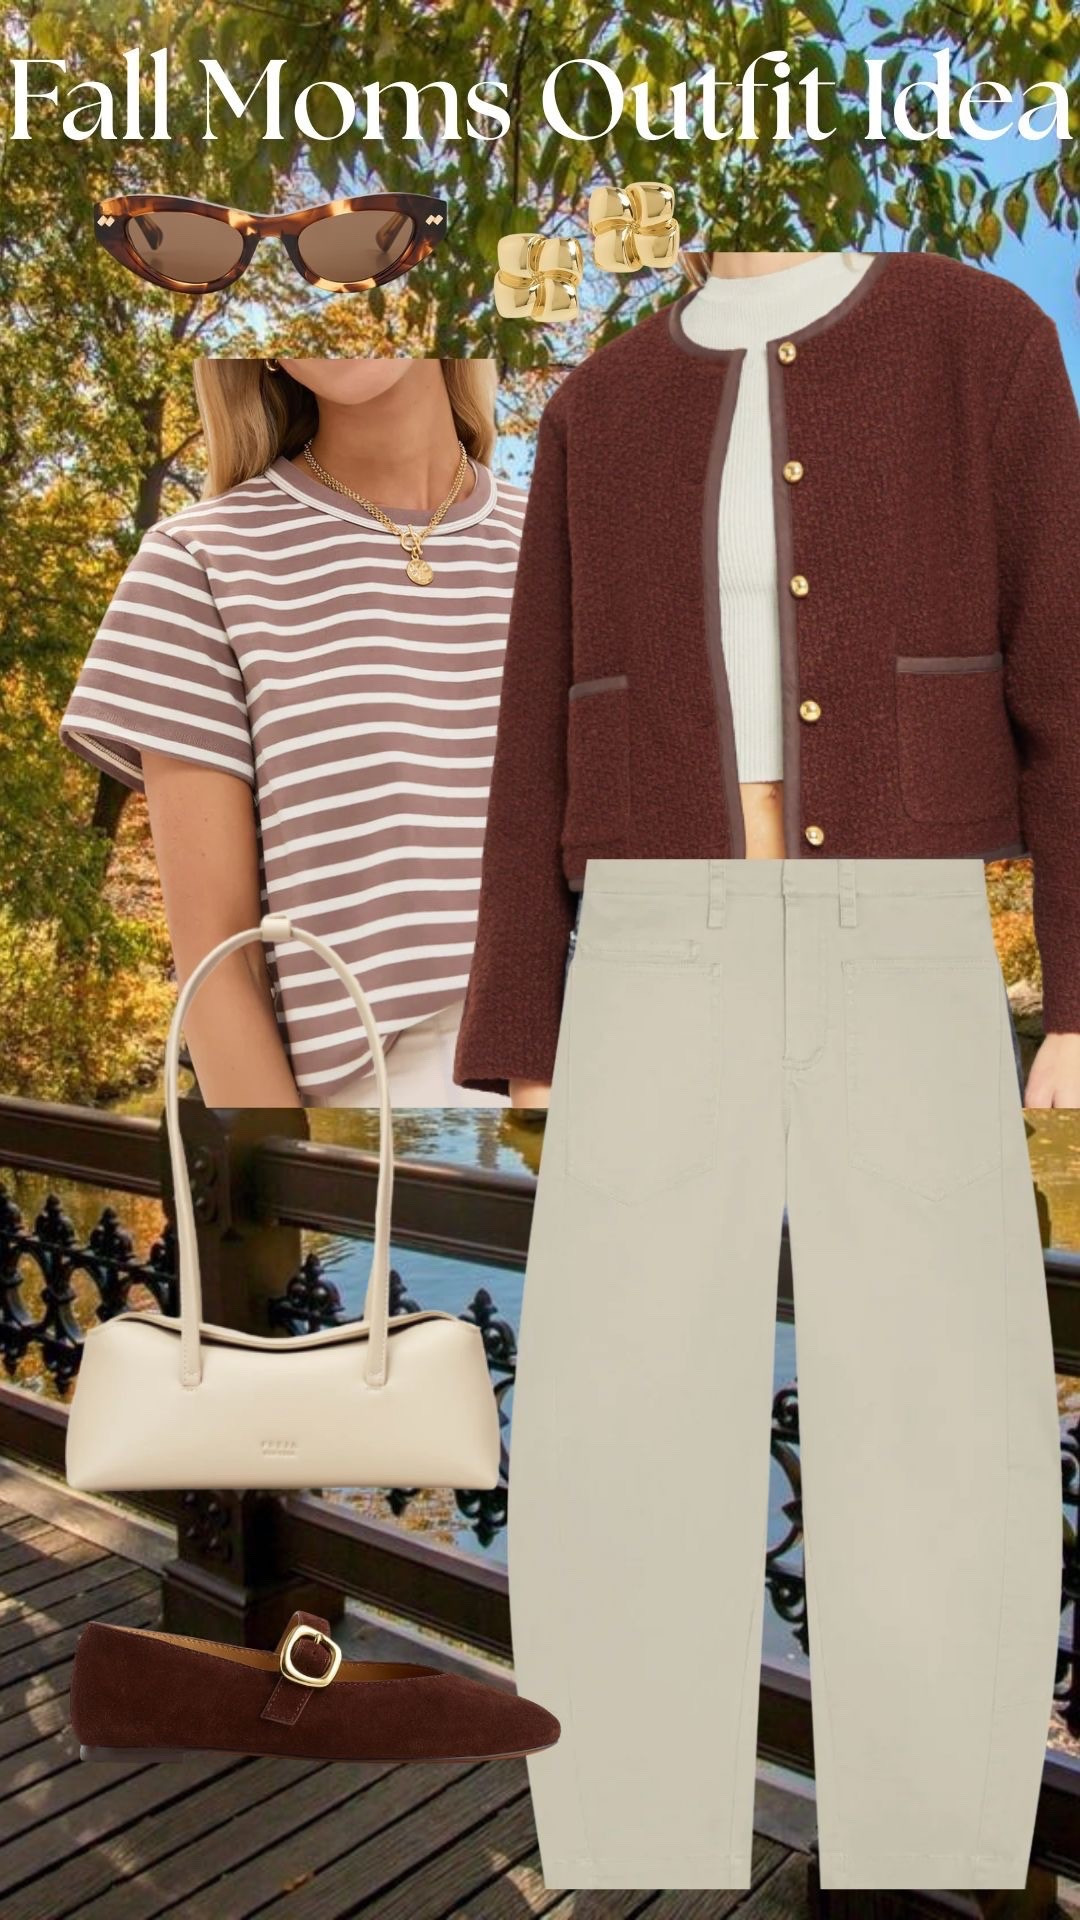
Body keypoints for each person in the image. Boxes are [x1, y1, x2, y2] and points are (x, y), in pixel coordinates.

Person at [63, 357, 524, 1106]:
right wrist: (294, 1201)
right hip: (385, 1121)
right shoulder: (198, 565)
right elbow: (222, 961)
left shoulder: (577, 544)